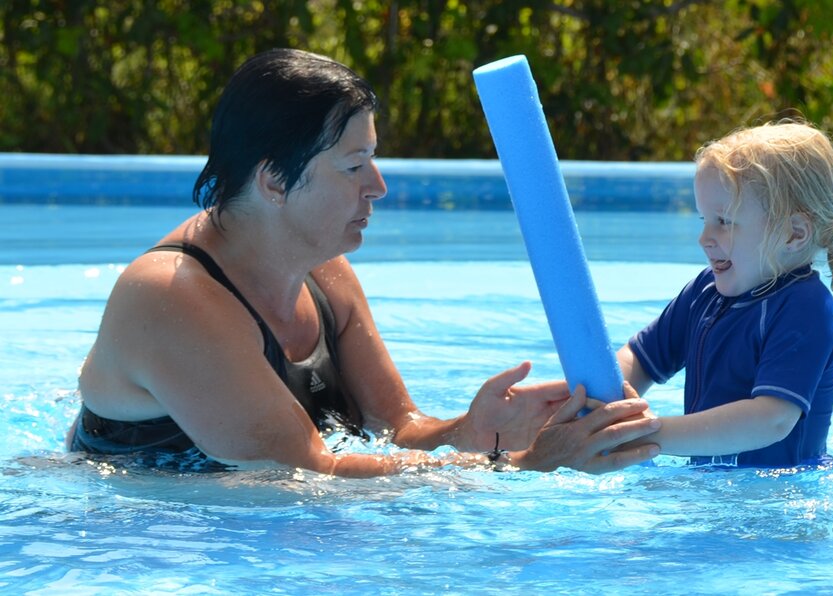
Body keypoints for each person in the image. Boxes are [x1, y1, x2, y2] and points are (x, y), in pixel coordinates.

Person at [68, 48, 661, 476]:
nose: (377, 186)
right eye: (354, 166)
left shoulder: (324, 272)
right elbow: (308, 475)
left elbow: (397, 429)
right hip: (137, 531)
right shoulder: (171, 299)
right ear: (274, 179)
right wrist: (526, 467)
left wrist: (472, 432)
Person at [616, 121, 833, 467]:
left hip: (781, 503)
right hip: (710, 492)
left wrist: (651, 434)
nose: (704, 238)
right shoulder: (704, 292)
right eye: (704, 220)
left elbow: (771, 419)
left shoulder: (806, 308)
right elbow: (638, 357)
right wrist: (610, 403)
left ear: (793, 234)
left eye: (724, 222)